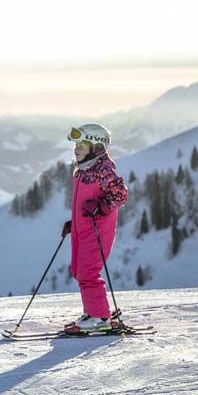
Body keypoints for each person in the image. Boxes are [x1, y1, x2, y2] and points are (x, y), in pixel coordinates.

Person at [61, 123, 128, 333]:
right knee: (78, 270)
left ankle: (100, 318)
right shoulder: (83, 170)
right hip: (83, 228)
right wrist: (75, 221)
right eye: (76, 144)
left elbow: (120, 194)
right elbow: (84, 201)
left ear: (97, 147)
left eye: (82, 144)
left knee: (88, 272)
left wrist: (101, 206)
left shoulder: (103, 169)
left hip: (97, 231)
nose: (77, 148)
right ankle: (93, 311)